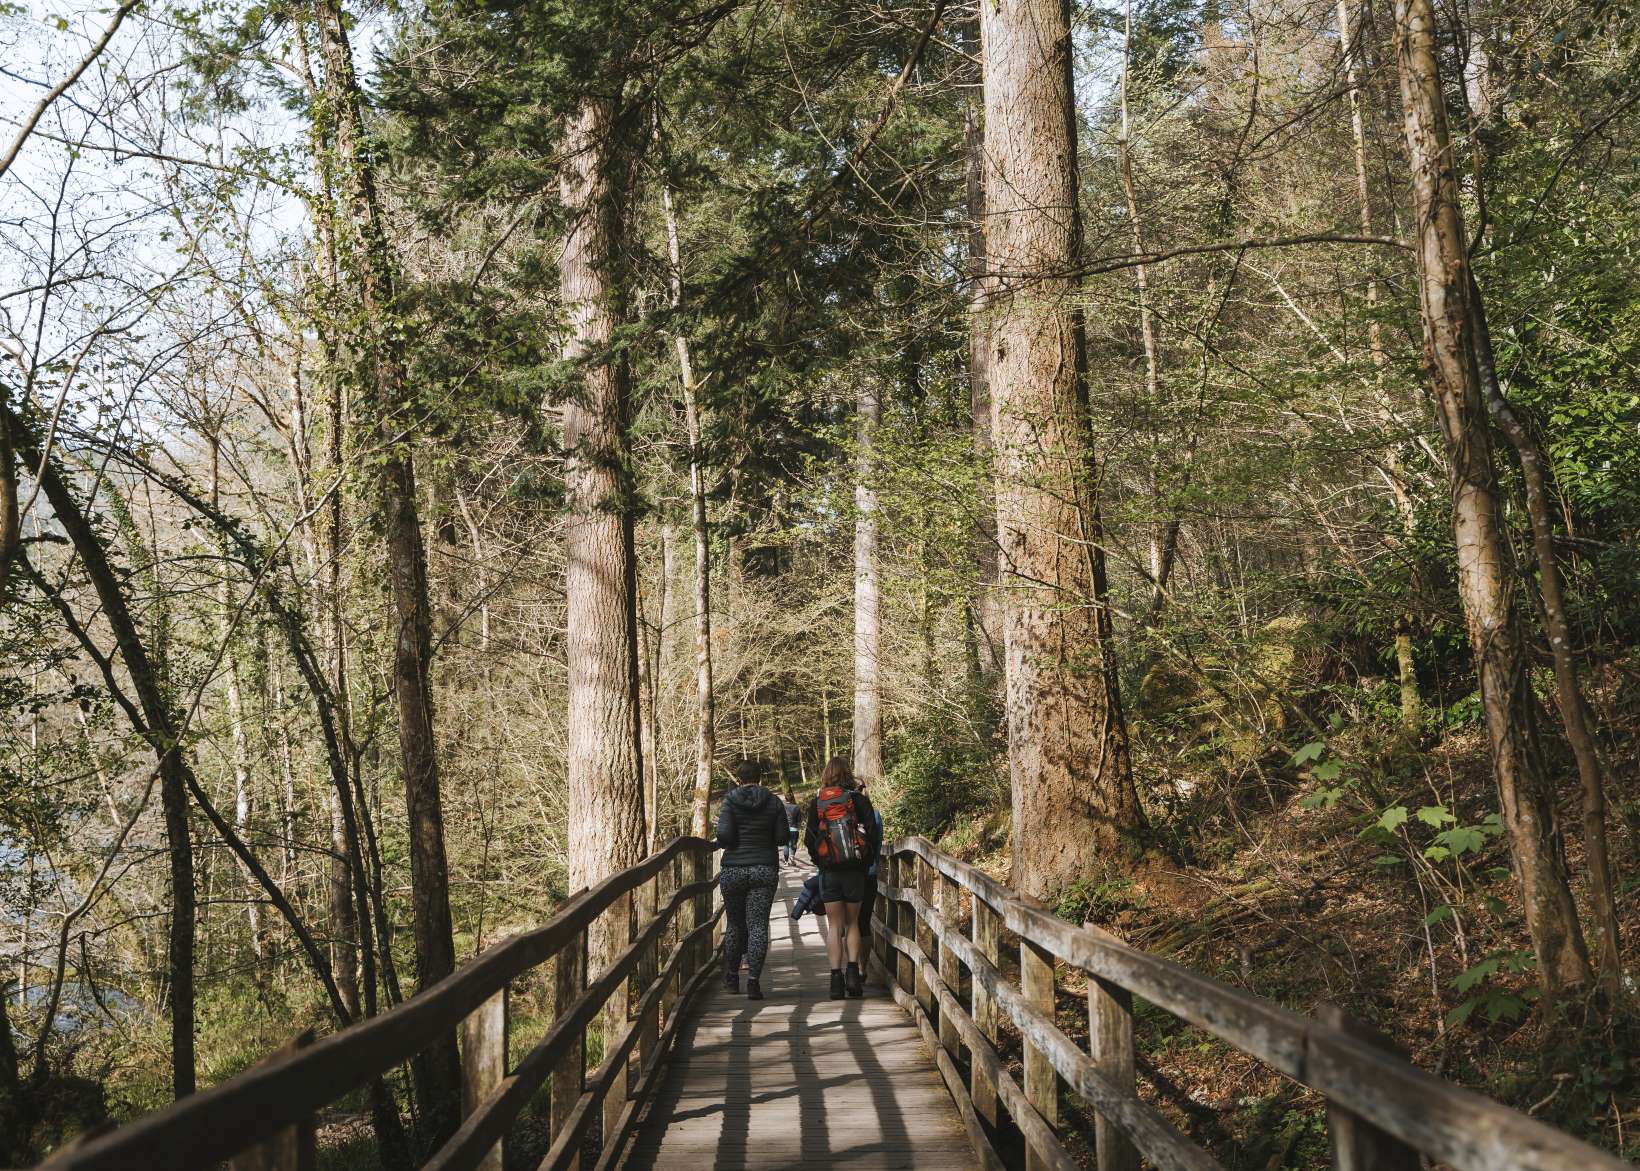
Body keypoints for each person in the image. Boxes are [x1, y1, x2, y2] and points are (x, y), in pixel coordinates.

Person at [804, 757, 881, 999]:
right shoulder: (858, 800)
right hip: (855, 873)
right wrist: (863, 863)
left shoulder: (818, 804)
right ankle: (853, 976)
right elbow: (873, 836)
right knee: (853, 924)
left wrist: (822, 862)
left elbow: (809, 840)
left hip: (830, 872)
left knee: (835, 926)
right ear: (848, 775)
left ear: (826, 775)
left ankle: (835, 981)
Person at [715, 757, 788, 1001]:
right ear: (759, 778)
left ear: (739, 778)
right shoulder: (774, 802)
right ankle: (754, 983)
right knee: (758, 925)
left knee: (735, 924)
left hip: (734, 869)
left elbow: (723, 835)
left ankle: (733, 978)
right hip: (763, 869)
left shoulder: (730, 801)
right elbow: (781, 837)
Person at [856, 780, 885, 954]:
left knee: (849, 924)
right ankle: (862, 969)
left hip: (847, 874)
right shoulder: (874, 814)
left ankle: (849, 967)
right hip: (869, 871)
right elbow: (878, 842)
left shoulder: (840, 813)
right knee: (864, 922)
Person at [782, 792, 801, 864]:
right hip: (794, 829)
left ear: (785, 798)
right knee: (793, 844)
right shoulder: (796, 807)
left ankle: (786, 861)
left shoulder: (783, 807)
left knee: (786, 844)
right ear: (792, 798)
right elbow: (799, 821)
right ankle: (792, 857)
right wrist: (799, 828)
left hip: (785, 829)